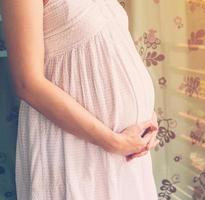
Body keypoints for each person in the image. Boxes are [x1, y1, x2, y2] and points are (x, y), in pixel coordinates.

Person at [0, 0, 160, 199]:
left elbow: (111, 49)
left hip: (127, 150)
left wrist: (147, 120)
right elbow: (27, 83)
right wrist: (113, 142)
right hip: (76, 145)